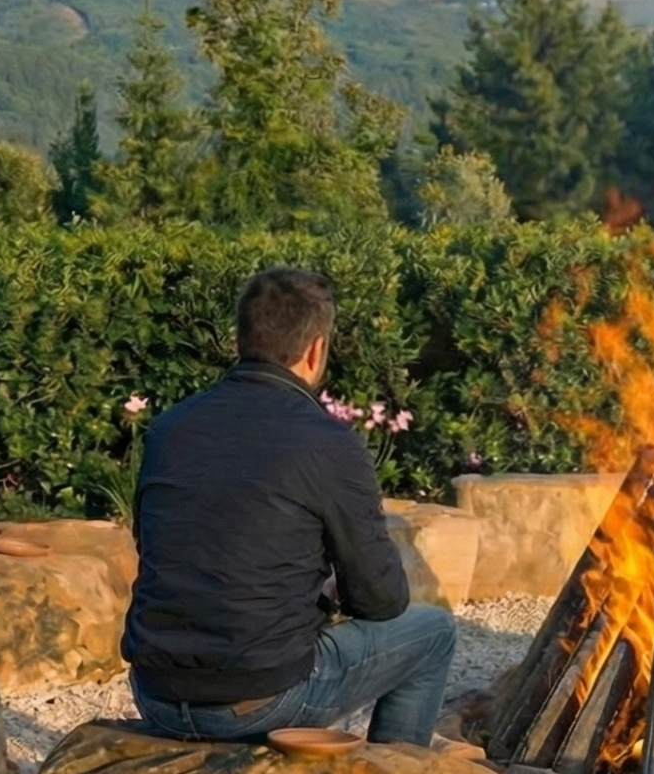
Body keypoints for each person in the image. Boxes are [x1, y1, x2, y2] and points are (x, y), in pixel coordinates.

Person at [121, 266, 455, 747]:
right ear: (316, 348)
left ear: (241, 338)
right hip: (257, 701)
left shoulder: (170, 427)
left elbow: (161, 547)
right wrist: (326, 591)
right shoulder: (326, 442)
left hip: (154, 693)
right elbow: (382, 600)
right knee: (434, 632)